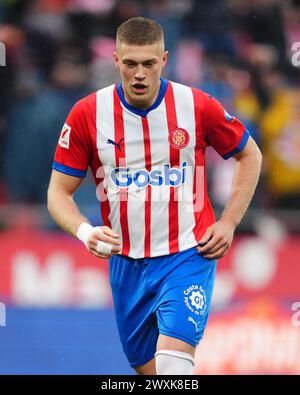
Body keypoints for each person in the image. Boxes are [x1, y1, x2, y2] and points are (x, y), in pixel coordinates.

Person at [47, 17, 262, 375]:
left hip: (187, 254)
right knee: (151, 374)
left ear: (164, 59)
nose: (140, 74)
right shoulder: (87, 114)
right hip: (127, 264)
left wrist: (229, 222)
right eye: (130, 64)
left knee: (173, 367)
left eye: (149, 63)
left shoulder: (195, 105)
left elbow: (249, 154)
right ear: (116, 61)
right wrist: (86, 232)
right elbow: (57, 192)